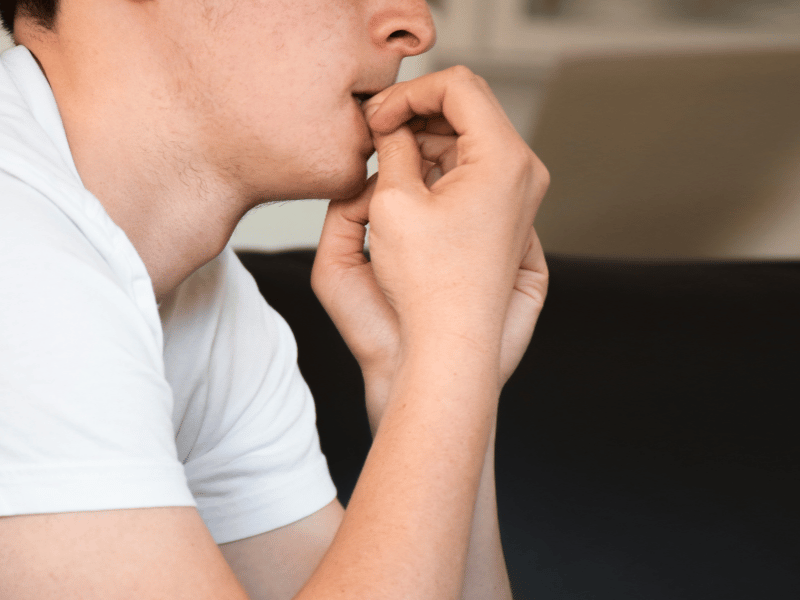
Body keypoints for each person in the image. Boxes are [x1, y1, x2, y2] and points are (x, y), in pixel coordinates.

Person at [0, 0, 550, 597]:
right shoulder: (17, 257)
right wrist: (452, 336)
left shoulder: (206, 304)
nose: (414, 27)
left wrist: (423, 364)